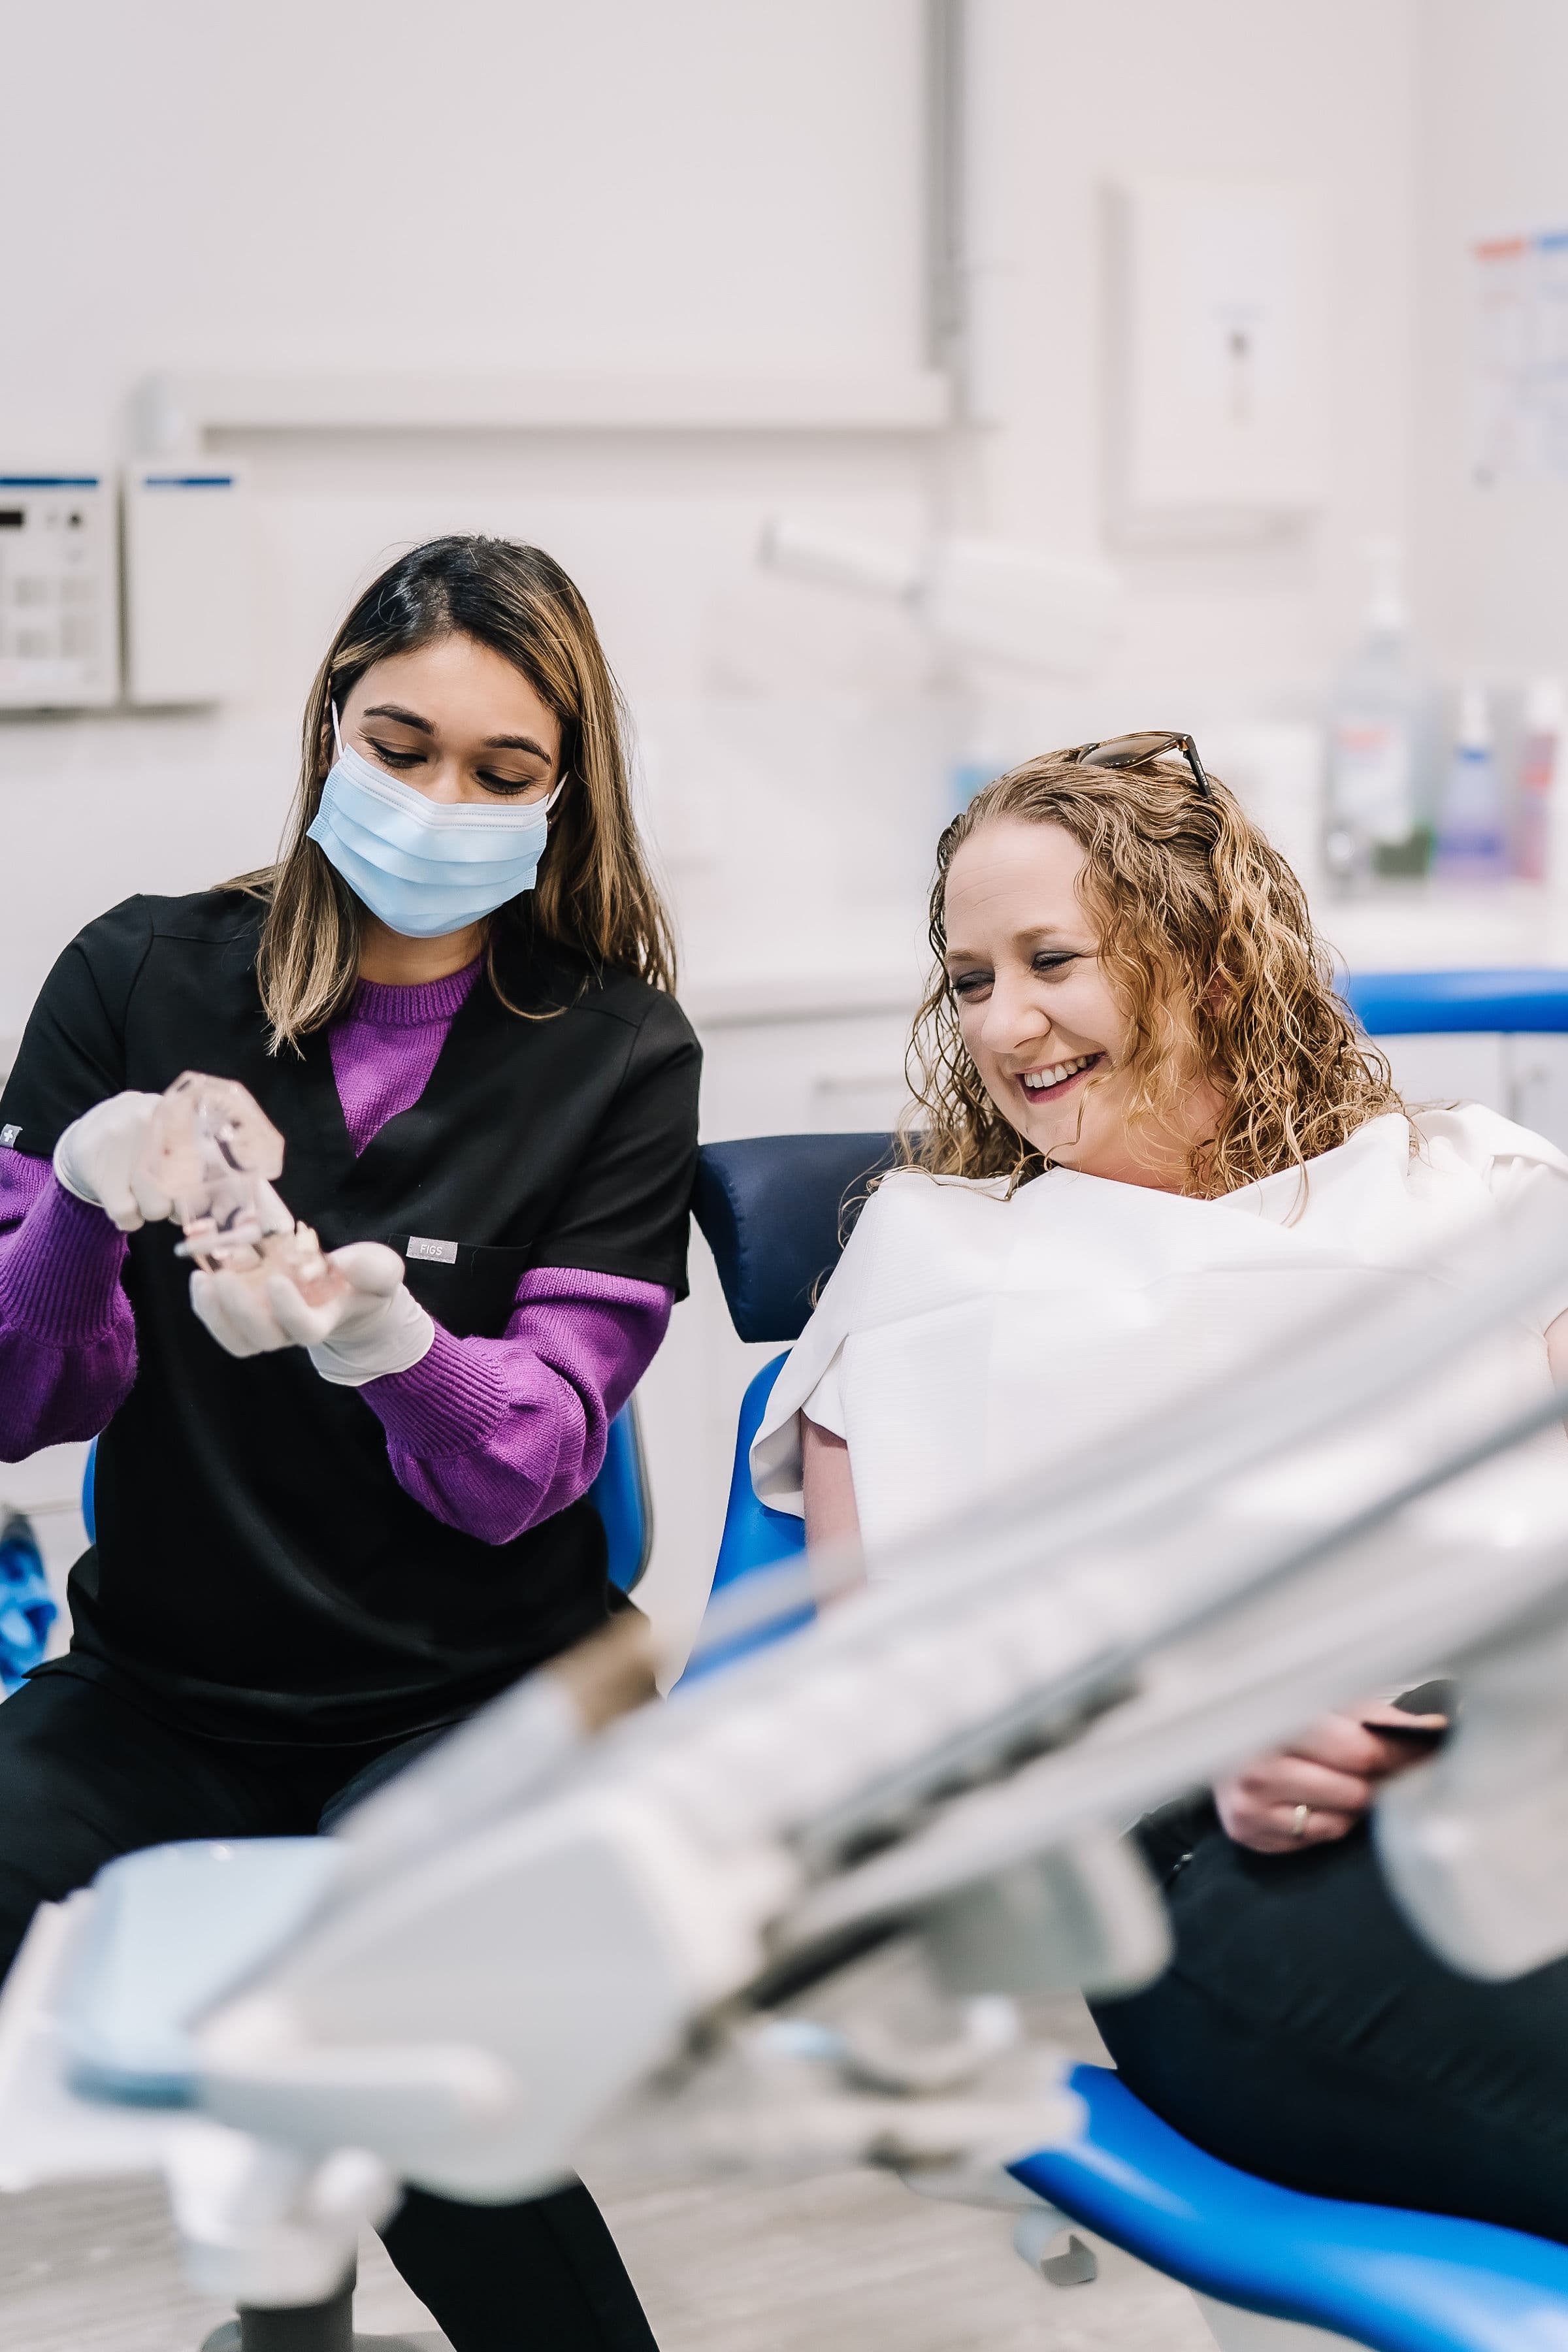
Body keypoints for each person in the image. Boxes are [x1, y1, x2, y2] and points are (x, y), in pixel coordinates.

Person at [0, 536, 699, 2351]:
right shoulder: (142, 980)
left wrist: (386, 1341)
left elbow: (529, 1465)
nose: (439, 800)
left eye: (500, 771)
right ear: (327, 730)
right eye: (399, 746)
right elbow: (18, 1395)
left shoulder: (611, 1051)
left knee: (415, 2066)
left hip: (459, 1713)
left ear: (564, 796)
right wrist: (90, 1187)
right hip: (162, 1690)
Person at [751, 736, 1568, 2243]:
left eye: (1051, 959)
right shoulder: (936, 1261)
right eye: (971, 977)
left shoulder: (1469, 1186)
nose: (1005, 1023)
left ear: (1203, 950)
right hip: (1239, 1873)